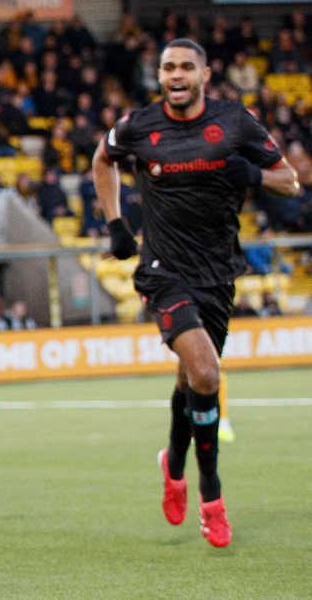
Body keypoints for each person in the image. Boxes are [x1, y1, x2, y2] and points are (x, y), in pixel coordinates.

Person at [93, 38, 301, 548]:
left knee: (192, 381)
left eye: (187, 66)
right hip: (163, 272)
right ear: (159, 76)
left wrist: (252, 173)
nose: (177, 75)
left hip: (218, 275)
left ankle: (174, 463)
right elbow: (103, 159)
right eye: (168, 68)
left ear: (204, 75)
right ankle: (212, 496)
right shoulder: (140, 126)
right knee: (207, 372)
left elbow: (290, 182)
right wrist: (117, 226)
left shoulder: (235, 122)